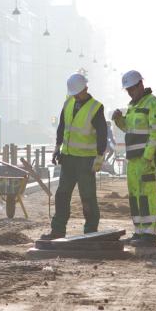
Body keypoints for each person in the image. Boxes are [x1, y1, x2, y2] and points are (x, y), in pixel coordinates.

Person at [41, 73, 107, 239]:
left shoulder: (96, 107)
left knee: (88, 197)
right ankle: (57, 230)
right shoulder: (69, 102)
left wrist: (100, 156)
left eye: (78, 93)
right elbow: (62, 127)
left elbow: (102, 134)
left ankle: (91, 232)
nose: (76, 96)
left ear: (86, 88)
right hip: (68, 158)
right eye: (74, 93)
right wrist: (57, 147)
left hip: (86, 161)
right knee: (62, 195)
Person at [112, 71, 156, 247]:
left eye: (132, 88)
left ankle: (149, 235)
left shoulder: (153, 103)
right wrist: (119, 120)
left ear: (141, 84)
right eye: (128, 90)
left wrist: (148, 157)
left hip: (144, 160)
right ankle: (139, 231)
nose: (130, 92)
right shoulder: (133, 106)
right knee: (135, 196)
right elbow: (129, 128)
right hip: (133, 160)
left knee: (147, 195)